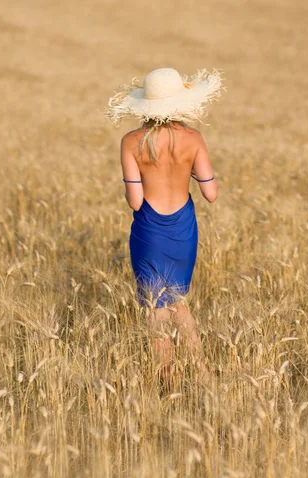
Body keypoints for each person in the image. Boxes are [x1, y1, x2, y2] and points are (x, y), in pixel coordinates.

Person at [105, 67, 224, 385]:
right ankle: (202, 374)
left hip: (149, 230)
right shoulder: (194, 139)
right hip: (183, 228)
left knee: (155, 308)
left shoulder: (131, 142)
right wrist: (191, 170)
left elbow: (134, 200)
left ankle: (166, 380)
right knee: (179, 304)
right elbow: (210, 194)